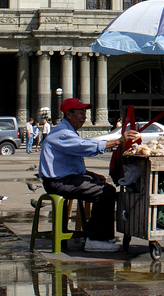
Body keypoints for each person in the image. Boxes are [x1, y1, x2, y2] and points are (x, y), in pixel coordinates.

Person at [38, 98, 137, 252]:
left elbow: (70, 164)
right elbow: (84, 147)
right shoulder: (63, 133)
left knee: (105, 188)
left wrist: (90, 174)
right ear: (69, 114)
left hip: (66, 178)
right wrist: (118, 141)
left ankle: (100, 235)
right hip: (57, 182)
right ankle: (95, 239)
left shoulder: (69, 131)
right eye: (80, 113)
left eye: (85, 112)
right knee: (105, 192)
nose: (84, 116)